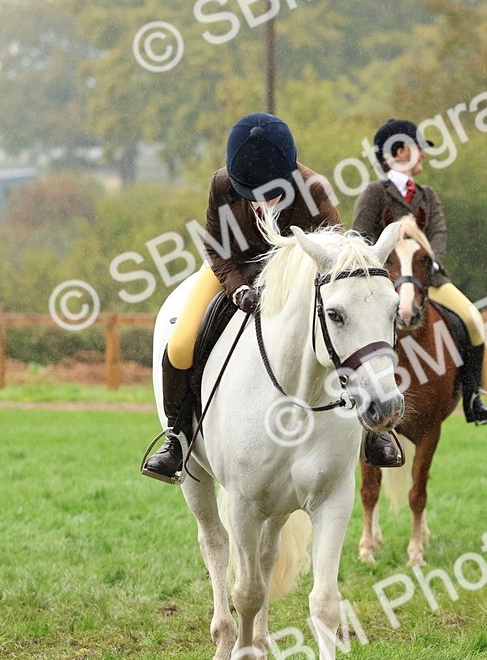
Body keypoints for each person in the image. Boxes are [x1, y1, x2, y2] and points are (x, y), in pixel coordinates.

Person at [142, 113, 403, 484]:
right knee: (181, 342)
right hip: (233, 270)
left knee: (356, 327)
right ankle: (177, 439)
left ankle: (375, 433)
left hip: (296, 279)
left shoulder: (314, 191)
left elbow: (336, 263)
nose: (264, 201)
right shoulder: (223, 184)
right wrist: (238, 288)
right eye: (254, 194)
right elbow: (216, 247)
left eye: (273, 192)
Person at [351, 118, 487, 425]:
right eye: (420, 148)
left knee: (472, 318)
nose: (425, 154)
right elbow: (359, 240)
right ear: (401, 151)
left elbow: (439, 235)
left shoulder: (428, 195)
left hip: (427, 279)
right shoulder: (374, 194)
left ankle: (473, 398)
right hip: (384, 286)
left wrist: (427, 267)